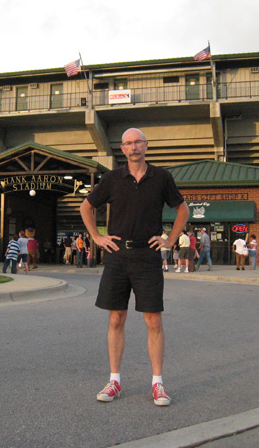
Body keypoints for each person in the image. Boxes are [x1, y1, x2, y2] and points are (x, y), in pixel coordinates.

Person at [79, 127, 189, 407]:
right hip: (117, 256)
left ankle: (158, 384)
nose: (133, 147)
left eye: (138, 142)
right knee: (116, 318)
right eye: (127, 143)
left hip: (147, 256)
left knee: (153, 320)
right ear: (123, 148)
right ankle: (114, 380)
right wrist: (97, 237)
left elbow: (183, 209)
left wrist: (170, 239)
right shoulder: (112, 178)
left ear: (146, 145)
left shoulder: (161, 177)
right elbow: (85, 207)